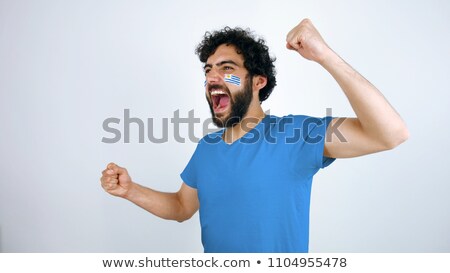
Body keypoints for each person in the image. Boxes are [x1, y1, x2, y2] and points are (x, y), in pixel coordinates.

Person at [100, 19, 409, 252]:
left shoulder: (295, 135)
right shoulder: (207, 149)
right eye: (208, 71)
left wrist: (324, 55)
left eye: (227, 69)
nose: (212, 78)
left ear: (258, 81)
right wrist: (130, 190)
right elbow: (182, 206)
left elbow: (390, 133)